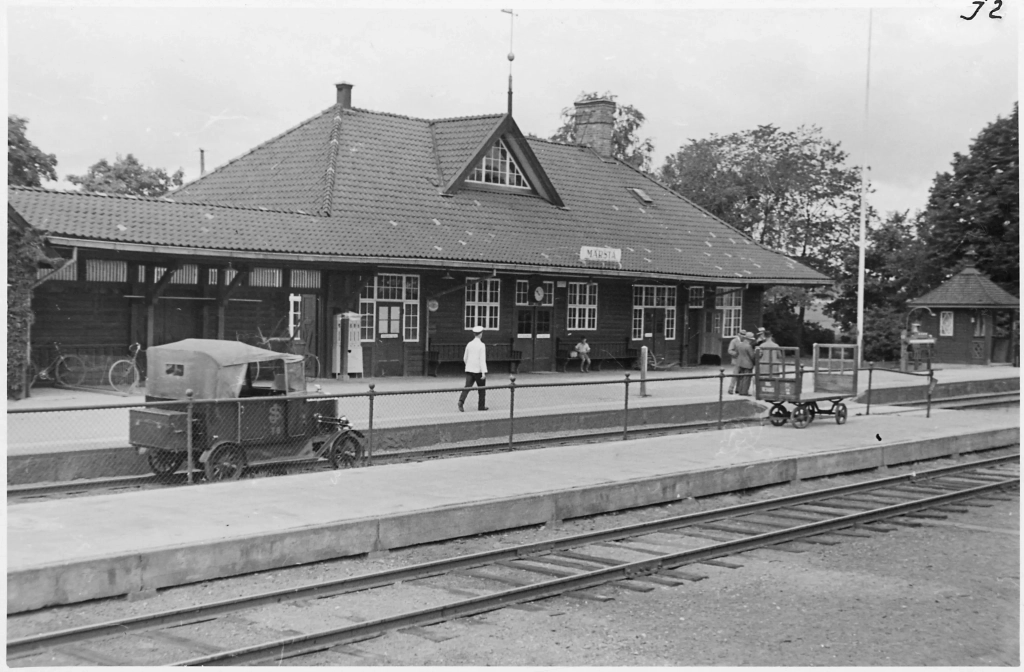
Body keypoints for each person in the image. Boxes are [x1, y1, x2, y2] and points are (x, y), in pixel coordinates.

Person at [458, 325, 489, 411]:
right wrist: (483, 372)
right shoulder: (482, 345)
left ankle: (461, 401)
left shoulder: (469, 344)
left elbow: (465, 358)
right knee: (481, 389)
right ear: (481, 334)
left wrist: (468, 365)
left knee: (467, 387)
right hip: (478, 371)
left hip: (469, 369)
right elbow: (482, 360)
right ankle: (481, 406)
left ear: (474, 334)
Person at [733, 331, 756, 396]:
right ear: (749, 339)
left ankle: (739, 390)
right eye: (751, 340)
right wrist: (755, 362)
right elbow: (752, 356)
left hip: (740, 363)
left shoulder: (739, 345)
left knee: (741, 378)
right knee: (746, 379)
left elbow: (737, 353)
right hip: (748, 364)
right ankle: (744, 392)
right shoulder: (748, 346)